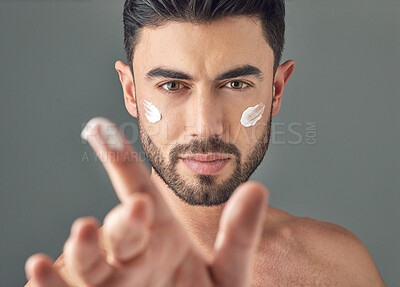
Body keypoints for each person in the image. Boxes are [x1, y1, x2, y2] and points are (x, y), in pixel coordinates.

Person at [24, 0, 386, 286]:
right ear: (131, 92)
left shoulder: (338, 267)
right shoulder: (75, 283)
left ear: (276, 90)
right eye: (172, 86)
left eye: (235, 85)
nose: (205, 126)